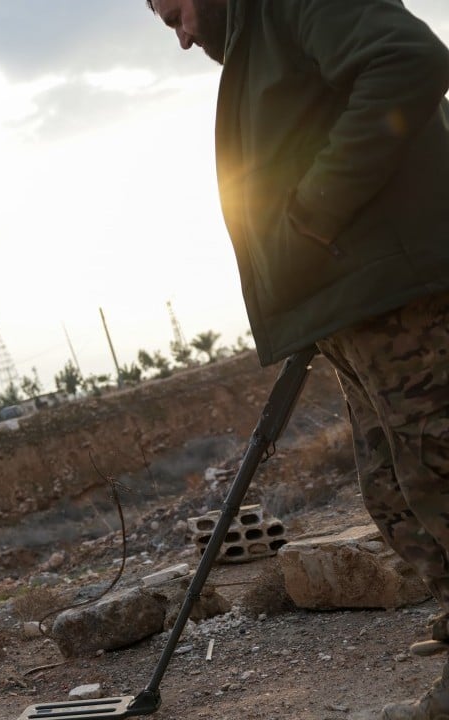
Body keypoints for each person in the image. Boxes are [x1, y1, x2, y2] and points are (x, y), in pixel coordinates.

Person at [145, 1, 449, 717]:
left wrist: (313, 217)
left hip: (408, 292)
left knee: (440, 469)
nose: (185, 40)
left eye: (176, 15)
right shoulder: (258, 34)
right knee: (397, 491)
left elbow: (409, 59)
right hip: (359, 301)